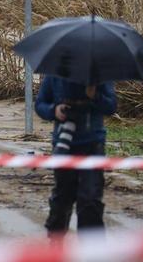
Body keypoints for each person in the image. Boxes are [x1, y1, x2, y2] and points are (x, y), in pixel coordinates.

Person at [35, 77, 117, 236]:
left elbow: (111, 106)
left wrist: (94, 96)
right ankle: (56, 244)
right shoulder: (54, 75)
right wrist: (54, 110)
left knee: (91, 199)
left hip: (93, 145)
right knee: (62, 198)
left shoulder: (99, 76)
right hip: (64, 145)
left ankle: (93, 251)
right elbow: (40, 104)